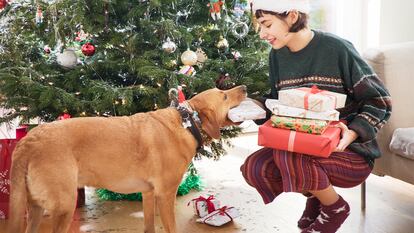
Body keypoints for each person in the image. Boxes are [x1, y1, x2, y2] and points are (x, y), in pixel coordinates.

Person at [240, 0, 392, 232]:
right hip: (302, 144)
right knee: (255, 167)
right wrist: (252, 107)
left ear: (291, 16)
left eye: (266, 24)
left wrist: (352, 132)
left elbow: (379, 101)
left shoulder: (337, 49)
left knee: (291, 156)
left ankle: (334, 208)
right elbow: (278, 103)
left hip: (348, 152)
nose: (261, 34)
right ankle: (318, 196)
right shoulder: (277, 55)